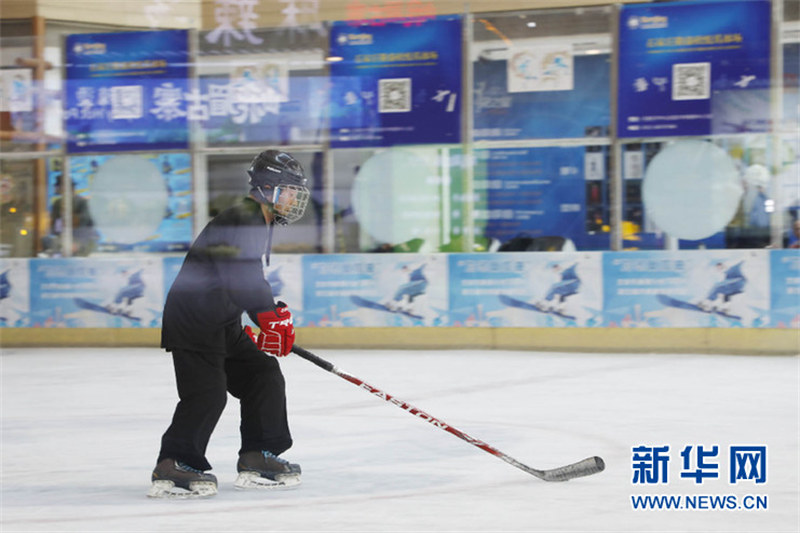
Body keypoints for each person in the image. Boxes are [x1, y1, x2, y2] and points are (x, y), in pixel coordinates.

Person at [148, 149, 311, 499]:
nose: (296, 198)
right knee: (206, 394)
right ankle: (173, 463)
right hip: (195, 321)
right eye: (291, 190)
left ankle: (258, 454)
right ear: (270, 188)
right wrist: (266, 316)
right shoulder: (245, 217)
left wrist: (269, 311)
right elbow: (242, 274)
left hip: (221, 320)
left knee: (261, 374)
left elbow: (245, 274)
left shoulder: (254, 219)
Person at [43, 174, 97, 256]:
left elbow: (87, 223)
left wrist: (72, 220)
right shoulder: (57, 204)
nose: (58, 189)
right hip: (63, 240)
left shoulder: (82, 203)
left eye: (59, 186)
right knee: (46, 241)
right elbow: (55, 227)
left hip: (81, 239)